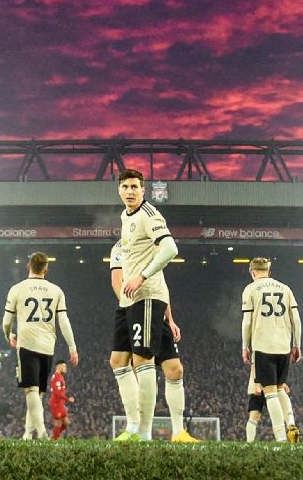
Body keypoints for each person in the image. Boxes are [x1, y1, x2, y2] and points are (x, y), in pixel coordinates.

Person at [110, 168, 180, 442]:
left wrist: (141, 275)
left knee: (143, 359)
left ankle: (145, 432)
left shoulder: (149, 214)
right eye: (125, 187)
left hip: (148, 295)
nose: (129, 191)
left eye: (134, 187)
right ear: (119, 190)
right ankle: (132, 425)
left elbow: (171, 249)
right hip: (129, 299)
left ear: (143, 190)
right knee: (118, 361)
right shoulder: (125, 216)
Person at [110, 246, 198, 442]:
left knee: (175, 370)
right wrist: (129, 308)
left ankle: (178, 432)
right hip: (136, 308)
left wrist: (171, 319)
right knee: (135, 362)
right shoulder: (119, 248)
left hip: (157, 309)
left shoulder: (153, 247)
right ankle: (137, 427)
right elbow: (117, 281)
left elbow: (162, 287)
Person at [3, 251, 78, 439]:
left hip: (27, 343)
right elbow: (64, 321)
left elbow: (6, 321)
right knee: (38, 393)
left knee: (31, 390)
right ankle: (28, 434)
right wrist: (72, 347)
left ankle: (42, 431)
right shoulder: (56, 290)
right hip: (47, 345)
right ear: (46, 268)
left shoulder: (17, 289)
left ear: (28, 266)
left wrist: (8, 335)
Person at [241, 256, 302, 443]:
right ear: (269, 271)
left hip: (263, 345)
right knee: (279, 388)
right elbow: (297, 319)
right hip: (283, 345)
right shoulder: (285, 288)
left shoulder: (250, 289)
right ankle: (290, 421)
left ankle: (281, 438)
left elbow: (247, 322)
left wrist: (245, 345)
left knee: (271, 394)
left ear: (252, 272)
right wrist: (297, 344)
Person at [48, 359, 73, 439]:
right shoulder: (57, 377)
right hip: (56, 404)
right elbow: (57, 392)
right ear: (59, 366)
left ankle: (54, 438)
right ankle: (54, 440)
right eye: (64, 366)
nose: (66, 368)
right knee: (58, 423)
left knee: (66, 423)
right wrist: (68, 399)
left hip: (60, 404)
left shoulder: (59, 376)